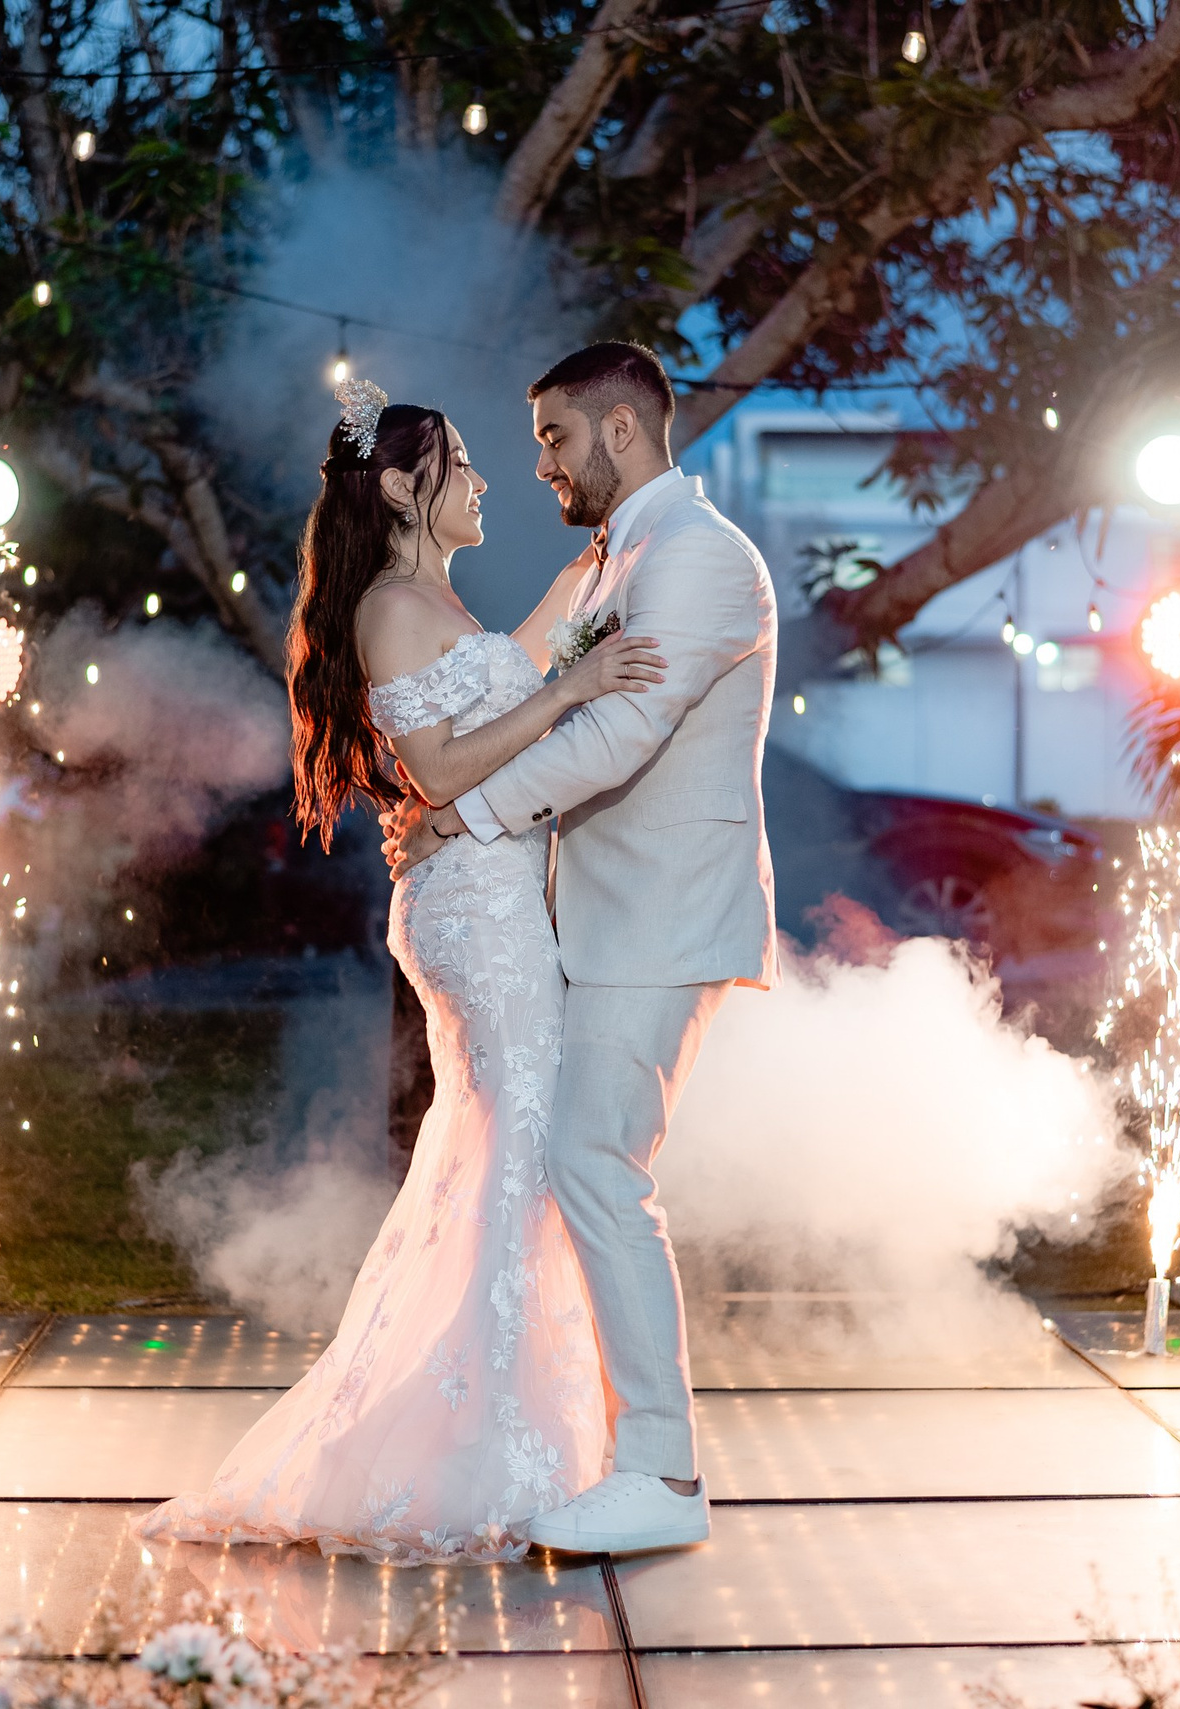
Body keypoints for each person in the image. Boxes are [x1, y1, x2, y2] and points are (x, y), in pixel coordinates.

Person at [140, 379, 667, 1564]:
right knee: (522, 1148)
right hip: (474, 918)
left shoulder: (431, 595)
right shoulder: (384, 605)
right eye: (466, 463)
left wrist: (581, 590)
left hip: (481, 892)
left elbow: (493, 686)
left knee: (503, 1153)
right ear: (400, 487)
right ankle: (491, 1449)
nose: (487, 481)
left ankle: (505, 1432)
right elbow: (435, 764)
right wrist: (574, 691)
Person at [385, 341, 778, 1555]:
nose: (539, 462)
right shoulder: (624, 555)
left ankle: (659, 1471)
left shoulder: (702, 559)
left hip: (662, 917)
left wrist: (463, 809)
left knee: (596, 1162)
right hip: (602, 917)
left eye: (554, 437)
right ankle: (621, 1448)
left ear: (618, 431)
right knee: (583, 1162)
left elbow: (620, 730)